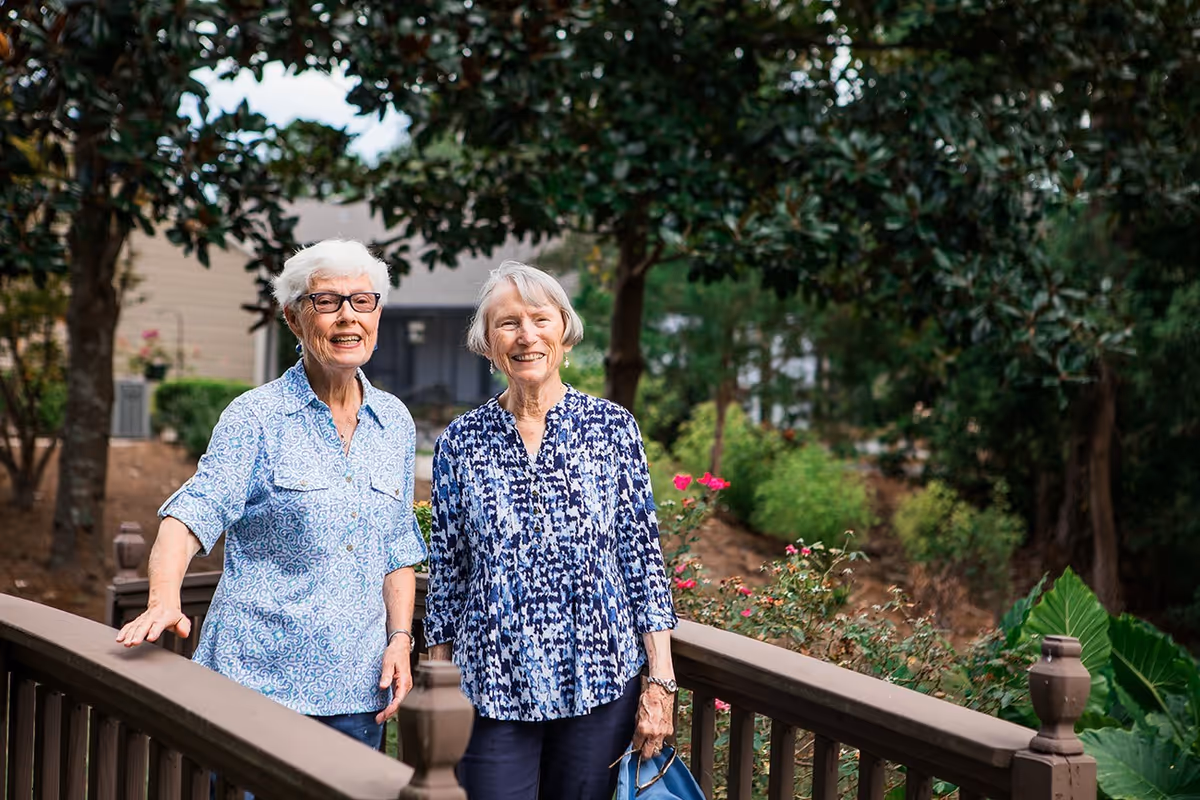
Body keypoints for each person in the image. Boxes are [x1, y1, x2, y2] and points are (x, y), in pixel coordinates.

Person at [116, 239, 426, 750]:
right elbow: (192, 514)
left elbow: (396, 545)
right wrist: (163, 599)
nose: (348, 317)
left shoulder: (393, 420)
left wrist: (399, 639)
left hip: (357, 689)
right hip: (254, 687)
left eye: (362, 301)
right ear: (293, 318)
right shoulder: (255, 418)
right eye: (326, 302)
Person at [425, 260, 678, 800]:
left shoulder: (612, 428)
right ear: (488, 343)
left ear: (563, 330)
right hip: (491, 683)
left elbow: (642, 559)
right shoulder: (460, 441)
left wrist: (660, 678)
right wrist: (438, 682)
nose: (526, 335)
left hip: (600, 681)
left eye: (540, 319)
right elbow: (449, 573)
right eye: (507, 323)